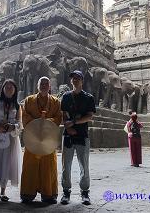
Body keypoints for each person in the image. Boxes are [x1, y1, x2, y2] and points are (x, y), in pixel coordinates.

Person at [20, 76, 62, 204]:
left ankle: (49, 193)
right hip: (32, 138)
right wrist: (37, 123)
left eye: (46, 84)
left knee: (49, 166)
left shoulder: (56, 102)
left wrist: (48, 121)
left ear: (49, 87)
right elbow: (25, 116)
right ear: (37, 86)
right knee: (30, 165)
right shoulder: (29, 100)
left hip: (48, 139)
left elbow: (59, 117)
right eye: (41, 84)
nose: (44, 86)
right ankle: (28, 193)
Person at [60, 70, 95, 205]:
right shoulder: (66, 96)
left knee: (84, 165)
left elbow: (89, 116)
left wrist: (73, 123)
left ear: (82, 80)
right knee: (65, 166)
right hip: (68, 135)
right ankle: (66, 191)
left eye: (78, 78)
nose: (75, 80)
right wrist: (68, 128)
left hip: (82, 135)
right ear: (71, 81)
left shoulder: (88, 98)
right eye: (73, 78)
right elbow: (64, 114)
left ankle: (85, 192)